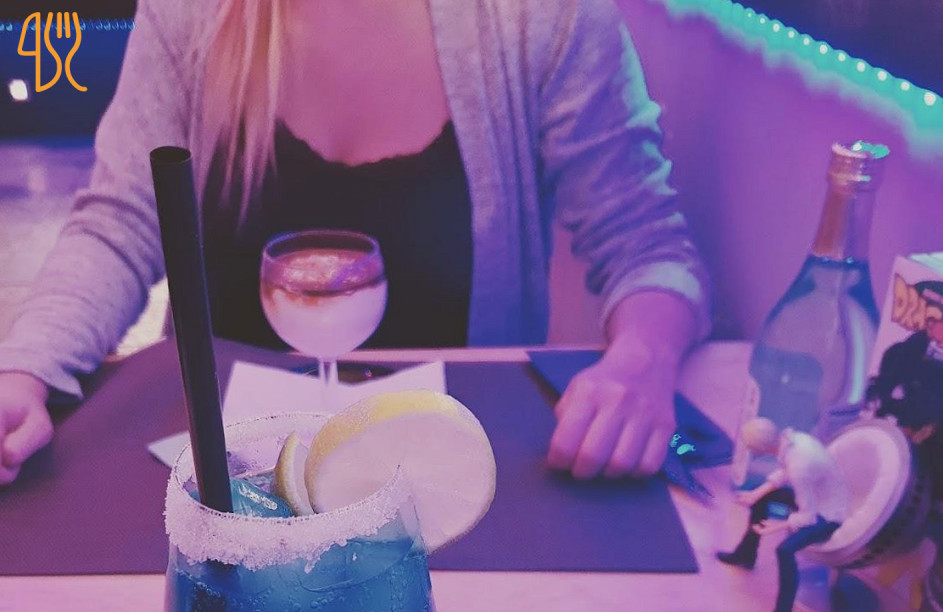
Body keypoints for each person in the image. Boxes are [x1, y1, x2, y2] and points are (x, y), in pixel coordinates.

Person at [0, 0, 709, 487]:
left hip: (452, 489)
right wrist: (23, 372)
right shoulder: (192, 14)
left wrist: (642, 360)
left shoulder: (541, 17)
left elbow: (645, 242)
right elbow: (120, 224)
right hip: (225, 485)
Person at [720, 418, 849, 612]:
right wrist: (755, 494)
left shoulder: (800, 466)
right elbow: (785, 472)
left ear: (760, 450)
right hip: (818, 500)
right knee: (762, 499)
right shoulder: (794, 440)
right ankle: (746, 555)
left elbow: (807, 517)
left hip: (828, 516)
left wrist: (775, 527)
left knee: (784, 551)